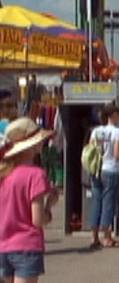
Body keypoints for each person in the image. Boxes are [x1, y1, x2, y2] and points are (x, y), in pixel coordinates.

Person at [0, 117, 59, 283]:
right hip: (26, 244)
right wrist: (49, 206)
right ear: (33, 145)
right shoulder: (36, 175)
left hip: (3, 245)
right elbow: (38, 219)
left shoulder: (4, 173)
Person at [88, 103, 119, 248]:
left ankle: (94, 236)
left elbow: (90, 149)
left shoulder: (96, 131)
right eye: (118, 114)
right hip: (111, 169)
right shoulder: (118, 133)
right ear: (113, 116)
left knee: (96, 201)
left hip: (96, 169)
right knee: (109, 203)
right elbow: (117, 154)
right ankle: (107, 236)